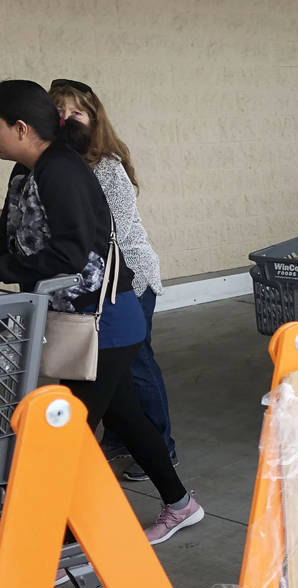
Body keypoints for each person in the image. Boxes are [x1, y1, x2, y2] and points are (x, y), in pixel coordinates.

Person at [0, 80, 203, 549]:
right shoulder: (23, 173)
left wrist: (7, 269)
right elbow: (9, 235)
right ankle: (180, 504)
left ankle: (67, 540)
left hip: (104, 321)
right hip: (77, 319)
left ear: (21, 128)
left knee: (67, 430)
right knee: (128, 417)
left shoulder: (63, 172)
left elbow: (72, 255)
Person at [48, 79, 177, 482]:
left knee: (137, 367)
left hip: (129, 279)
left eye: (77, 113)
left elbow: (116, 233)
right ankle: (123, 438)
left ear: (93, 119)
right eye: (59, 113)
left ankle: (162, 447)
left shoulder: (106, 166)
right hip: (97, 284)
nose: (67, 120)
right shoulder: (57, 166)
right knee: (113, 374)